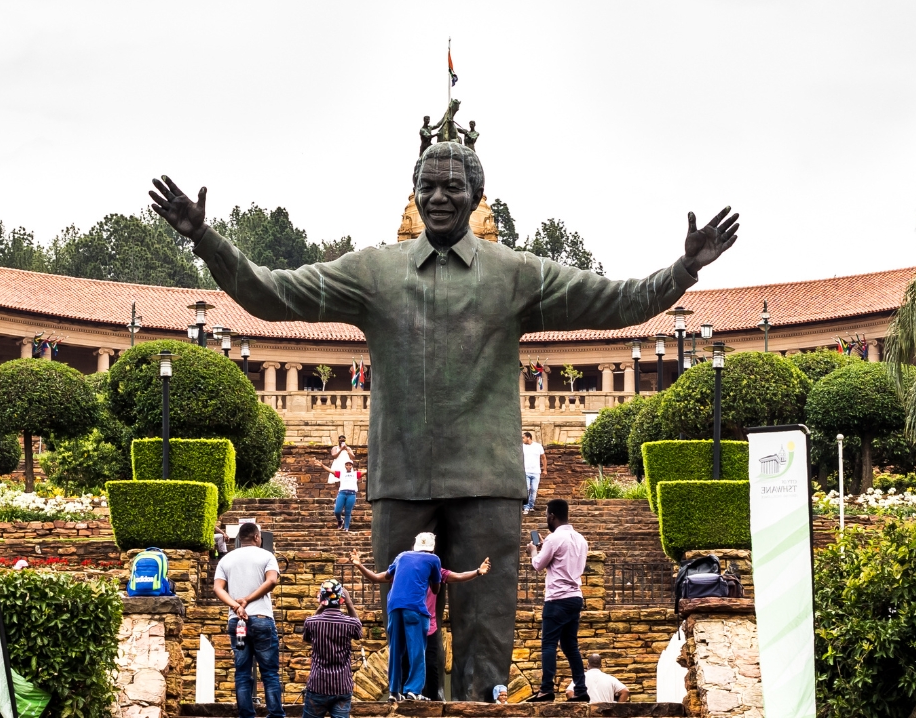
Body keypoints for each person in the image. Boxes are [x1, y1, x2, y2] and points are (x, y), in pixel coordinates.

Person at [150, 146, 739, 699]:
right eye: (427, 186)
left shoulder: (515, 274)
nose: (438, 197)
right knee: (407, 635)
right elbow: (270, 294)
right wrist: (205, 238)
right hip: (401, 480)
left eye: (452, 187)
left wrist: (684, 268)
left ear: (477, 196)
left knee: (487, 640)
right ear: (413, 192)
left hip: (487, 484)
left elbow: (616, 302)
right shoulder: (373, 272)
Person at [356, 532, 491, 700]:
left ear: (414, 546)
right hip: (416, 611)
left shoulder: (401, 558)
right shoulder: (433, 560)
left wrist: (359, 565)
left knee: (396, 650)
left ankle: (394, 691)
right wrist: (477, 572)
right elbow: (438, 587)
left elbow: (377, 578)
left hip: (394, 607)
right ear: (432, 549)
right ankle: (414, 691)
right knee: (418, 652)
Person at [213, 520, 283, 718]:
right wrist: (248, 600)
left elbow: (218, 588)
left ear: (238, 539)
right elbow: (272, 581)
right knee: (269, 673)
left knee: (242, 672)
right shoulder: (267, 556)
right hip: (261, 618)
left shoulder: (226, 560)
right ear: (256, 537)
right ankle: (275, 715)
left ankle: (247, 715)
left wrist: (236, 606)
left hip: (237, 622)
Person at [528, 498, 588, 701]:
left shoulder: (553, 539)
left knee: (549, 645)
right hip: (575, 597)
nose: (546, 518)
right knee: (571, 646)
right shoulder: (581, 539)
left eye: (546, 515)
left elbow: (538, 565)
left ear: (552, 516)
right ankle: (581, 690)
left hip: (557, 599)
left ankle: (546, 689)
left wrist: (534, 550)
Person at [300, 578, 363, 718]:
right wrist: (349, 603)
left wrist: (321, 607)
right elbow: (359, 632)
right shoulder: (350, 623)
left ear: (321, 598)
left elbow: (306, 638)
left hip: (318, 685)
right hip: (342, 686)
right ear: (341, 599)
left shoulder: (311, 622)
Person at [334, 456, 360, 532]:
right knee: (337, 511)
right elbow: (331, 471)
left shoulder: (355, 474)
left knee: (348, 511)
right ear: (345, 466)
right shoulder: (341, 473)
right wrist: (322, 465)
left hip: (351, 494)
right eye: (347, 465)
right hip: (342, 493)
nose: (348, 466)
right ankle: (340, 520)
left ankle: (346, 527)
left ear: (352, 466)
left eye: (350, 465)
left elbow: (366, 472)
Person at [521, 431, 544, 514]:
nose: (522, 439)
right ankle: (526, 507)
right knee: (526, 489)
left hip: (536, 472)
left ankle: (531, 506)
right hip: (526, 471)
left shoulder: (538, 446)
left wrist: (545, 469)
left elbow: (543, 457)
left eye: (523, 437)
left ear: (528, 437)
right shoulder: (521, 447)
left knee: (534, 490)